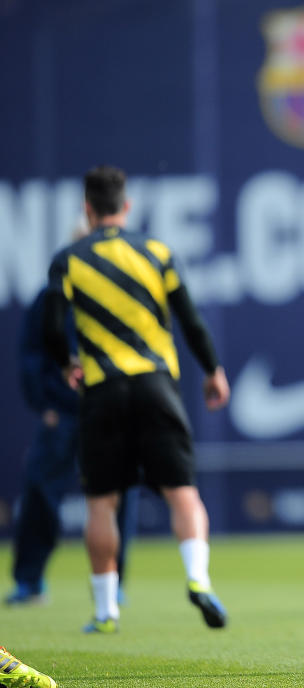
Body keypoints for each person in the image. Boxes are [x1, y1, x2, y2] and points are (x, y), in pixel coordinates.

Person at [43, 164, 231, 633]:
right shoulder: (157, 252)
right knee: (182, 493)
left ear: (87, 210)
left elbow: (50, 329)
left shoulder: (69, 259)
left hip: (103, 390)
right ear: (126, 206)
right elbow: (190, 321)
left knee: (102, 503)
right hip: (155, 386)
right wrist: (213, 372)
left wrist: (69, 364)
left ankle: (106, 611)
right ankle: (199, 580)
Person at [7, 218, 138, 607]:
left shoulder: (123, 293)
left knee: (119, 499)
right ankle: (29, 581)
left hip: (112, 409)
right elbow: (32, 355)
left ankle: (113, 581)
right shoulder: (52, 295)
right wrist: (44, 404)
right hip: (65, 413)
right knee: (41, 493)